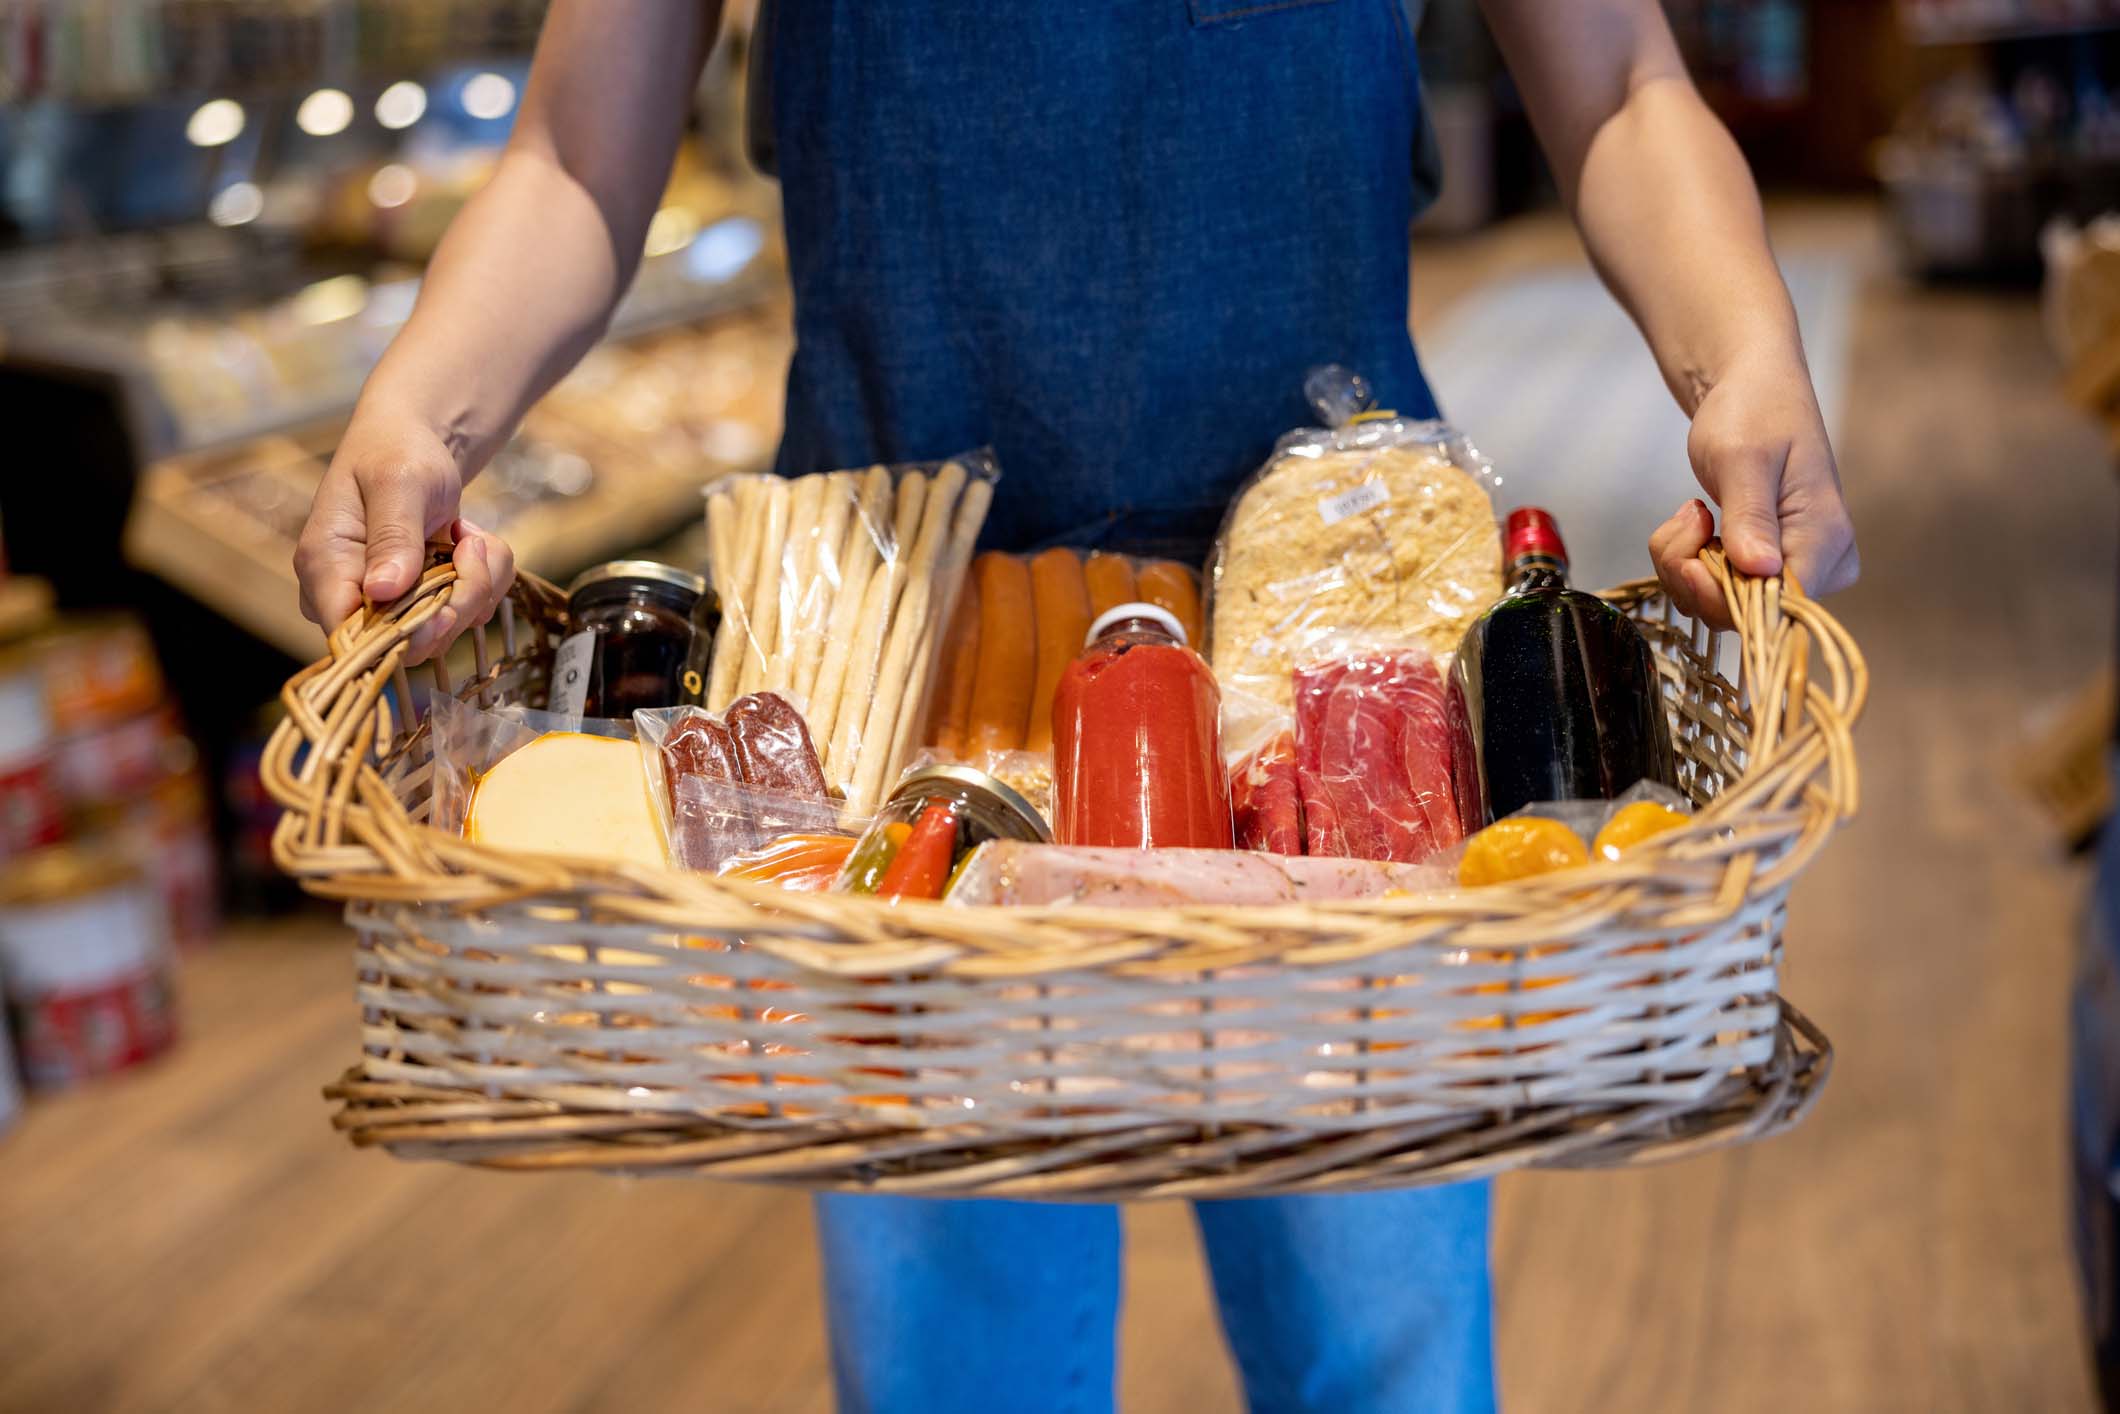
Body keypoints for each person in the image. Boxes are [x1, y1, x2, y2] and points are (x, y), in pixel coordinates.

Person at [294, 3, 1859, 1409]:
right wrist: (415, 414)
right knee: (960, 1361)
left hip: (1345, 667)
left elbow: (1621, 86)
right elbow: (579, 152)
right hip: (898, 674)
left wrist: (1745, 365)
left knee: (1376, 1334)